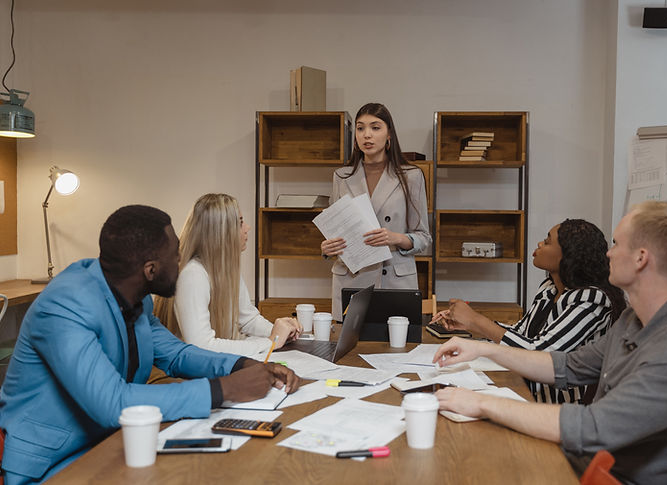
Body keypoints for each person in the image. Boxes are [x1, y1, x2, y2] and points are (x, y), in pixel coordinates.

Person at [0, 205, 300, 484]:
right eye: (176, 254)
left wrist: (242, 366)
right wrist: (225, 389)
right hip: (54, 463)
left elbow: (177, 355)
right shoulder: (65, 305)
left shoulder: (134, 295)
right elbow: (112, 403)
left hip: (115, 443)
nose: (181, 261)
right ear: (151, 269)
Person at [433, 201, 667, 485]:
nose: (608, 254)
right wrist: (482, 348)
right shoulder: (634, 320)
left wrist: (482, 403)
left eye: (616, 244)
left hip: (605, 475)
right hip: (585, 461)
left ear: (641, 258)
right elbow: (566, 365)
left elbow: (593, 427)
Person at [431, 219, 626, 403]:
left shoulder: (591, 299)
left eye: (548, 242)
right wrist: (470, 327)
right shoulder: (550, 288)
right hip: (527, 390)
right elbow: (520, 334)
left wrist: (476, 320)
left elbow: (540, 354)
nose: (540, 244)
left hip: (560, 407)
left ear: (567, 255)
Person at [321, 103, 431, 321]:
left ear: (389, 134)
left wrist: (396, 237)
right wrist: (327, 247)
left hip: (393, 279)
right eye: (360, 129)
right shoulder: (341, 177)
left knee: (394, 351)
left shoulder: (411, 176)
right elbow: (336, 229)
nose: (367, 135)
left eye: (375, 127)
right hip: (351, 280)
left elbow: (424, 238)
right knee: (347, 352)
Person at [154, 194, 301, 356]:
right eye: (240, 223)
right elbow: (202, 346)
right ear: (221, 232)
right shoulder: (193, 275)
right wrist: (270, 342)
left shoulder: (225, 269)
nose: (247, 227)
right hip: (192, 370)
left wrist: (281, 332)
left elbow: (248, 320)